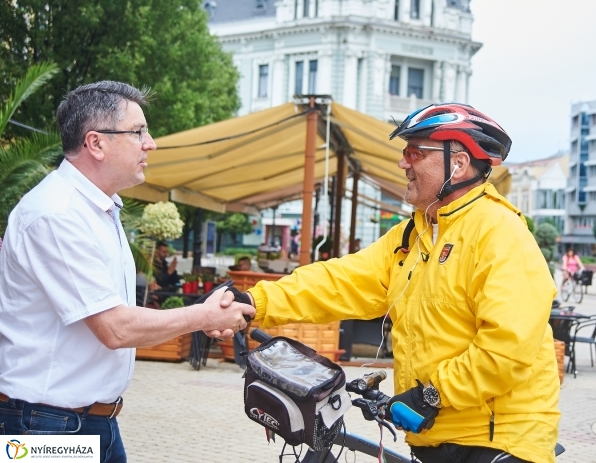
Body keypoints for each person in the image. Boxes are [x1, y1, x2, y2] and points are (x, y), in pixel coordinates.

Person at [219, 103, 560, 463]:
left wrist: (431, 395)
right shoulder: (414, 235)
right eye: (404, 152)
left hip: (499, 441)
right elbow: (339, 281)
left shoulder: (499, 232)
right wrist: (255, 302)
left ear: (458, 164)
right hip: (435, 437)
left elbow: (507, 347)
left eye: (415, 152)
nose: (403, 163)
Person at [0, 81, 255, 462]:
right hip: (43, 425)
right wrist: (202, 315)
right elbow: (115, 328)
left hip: (92, 421)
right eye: (138, 132)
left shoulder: (99, 208)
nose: (150, 143)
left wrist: (197, 319)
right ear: (96, 143)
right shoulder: (55, 214)